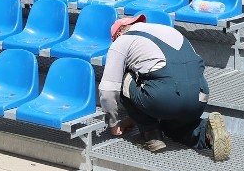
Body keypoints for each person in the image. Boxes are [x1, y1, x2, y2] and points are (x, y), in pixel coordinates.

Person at [98, 14, 231, 162]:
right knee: (174, 129)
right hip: (200, 95)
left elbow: (108, 90)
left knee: (122, 78)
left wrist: (113, 123)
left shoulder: (122, 40)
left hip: (165, 97)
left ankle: (151, 135)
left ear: (119, 32)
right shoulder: (170, 31)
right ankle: (207, 133)